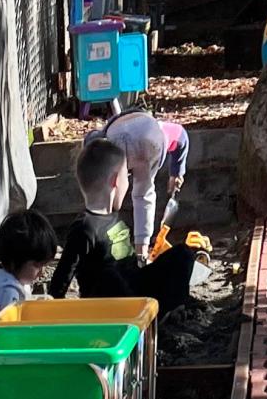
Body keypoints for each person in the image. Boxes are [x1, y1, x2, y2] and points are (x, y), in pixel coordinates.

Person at [50, 135, 197, 317]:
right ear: (115, 181)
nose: (129, 181)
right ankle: (148, 318)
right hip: (110, 308)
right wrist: (54, 310)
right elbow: (63, 275)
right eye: (126, 176)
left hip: (136, 292)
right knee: (110, 277)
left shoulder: (114, 218)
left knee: (183, 254)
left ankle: (172, 311)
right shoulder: (84, 228)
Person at [87, 109, 189, 263]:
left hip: (116, 137)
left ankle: (100, 241)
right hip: (150, 139)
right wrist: (177, 173)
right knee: (143, 194)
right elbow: (182, 136)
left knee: (106, 191)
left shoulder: (102, 134)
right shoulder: (164, 129)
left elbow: (92, 141)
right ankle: (142, 253)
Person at [0, 205, 60, 315]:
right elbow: (9, 325)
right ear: (15, 261)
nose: (42, 272)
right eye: (37, 265)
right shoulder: (8, 290)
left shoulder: (6, 274)